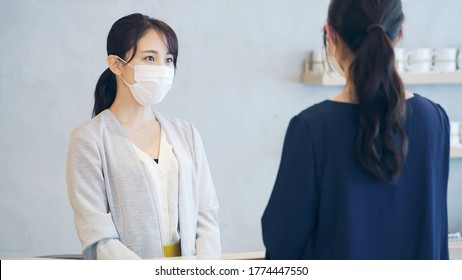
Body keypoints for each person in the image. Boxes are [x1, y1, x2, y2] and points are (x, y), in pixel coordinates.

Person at [262, 0, 449, 259]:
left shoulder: (311, 129)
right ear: (399, 34)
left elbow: (282, 243)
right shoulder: (435, 121)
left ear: (330, 34)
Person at [67, 13, 221, 260]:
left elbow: (206, 214)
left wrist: (205, 269)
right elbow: (96, 231)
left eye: (168, 59)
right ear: (117, 64)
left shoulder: (186, 134)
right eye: (150, 58)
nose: (162, 68)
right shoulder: (90, 139)